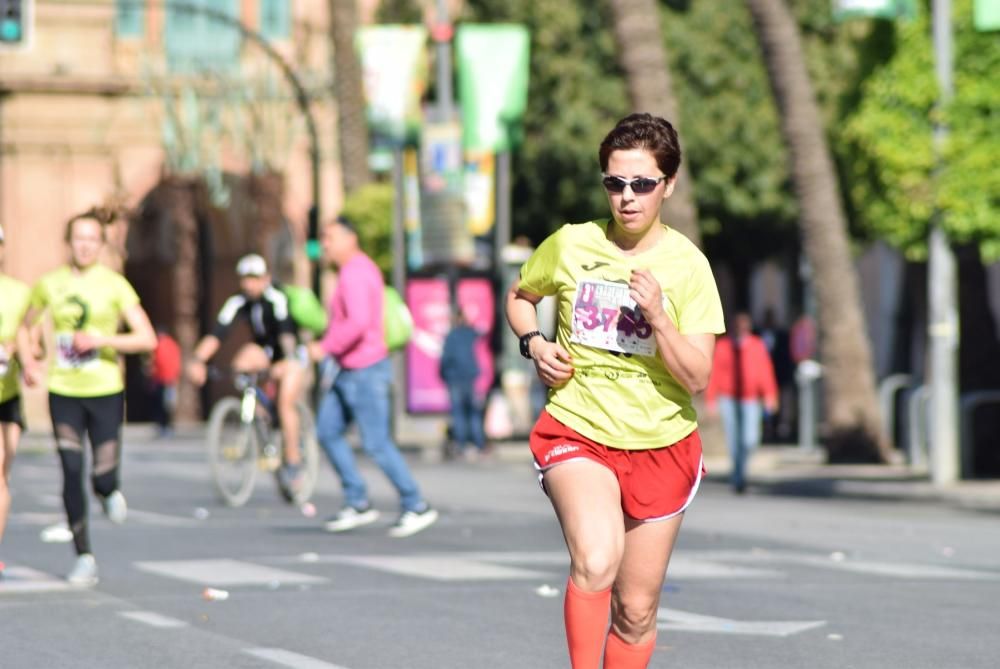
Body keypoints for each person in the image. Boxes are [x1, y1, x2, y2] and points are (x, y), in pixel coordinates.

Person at [505, 113, 724, 668]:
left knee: (636, 609)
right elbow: (521, 294)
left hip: (662, 443)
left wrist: (659, 318)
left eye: (642, 184)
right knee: (597, 561)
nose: (626, 197)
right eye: (614, 183)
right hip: (580, 427)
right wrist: (533, 343)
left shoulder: (689, 267)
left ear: (667, 185)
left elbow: (698, 376)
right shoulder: (572, 244)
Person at [18, 208, 157, 586]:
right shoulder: (49, 283)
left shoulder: (114, 285)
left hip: (105, 389)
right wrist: (30, 360)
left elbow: (147, 339)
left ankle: (108, 489)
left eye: (92, 239)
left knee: (102, 474)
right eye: (78, 238)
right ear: (69, 242)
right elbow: (25, 327)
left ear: (101, 244)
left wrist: (101, 340)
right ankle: (84, 556)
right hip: (64, 389)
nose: (84, 245)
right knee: (70, 469)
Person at [309, 216, 438, 538]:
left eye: (331, 237)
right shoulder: (352, 272)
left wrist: (323, 347)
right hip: (347, 369)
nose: (325, 243)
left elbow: (358, 323)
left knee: (376, 442)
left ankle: (415, 504)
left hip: (365, 369)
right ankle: (357, 501)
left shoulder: (356, 273)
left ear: (351, 238)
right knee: (327, 430)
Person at [186, 253, 307, 496]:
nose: (250, 284)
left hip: (290, 353)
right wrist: (198, 360)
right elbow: (218, 332)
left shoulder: (277, 298)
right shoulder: (239, 302)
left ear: (266, 278)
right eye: (246, 278)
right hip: (265, 351)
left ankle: (293, 461)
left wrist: (288, 361)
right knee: (241, 361)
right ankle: (257, 410)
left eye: (255, 278)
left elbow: (285, 333)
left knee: (285, 404)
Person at [705, 311, 779, 494]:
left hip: (751, 398)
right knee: (733, 438)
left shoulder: (757, 345)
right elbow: (715, 373)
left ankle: (741, 469)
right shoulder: (723, 346)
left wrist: (770, 395)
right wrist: (711, 398)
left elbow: (765, 371)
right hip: (728, 398)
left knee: (750, 439)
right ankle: (738, 476)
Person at [0, 225, 32, 578]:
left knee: (2, 475)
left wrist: (25, 355)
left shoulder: (20, 293)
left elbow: (32, 340)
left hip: (6, 395)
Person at [439, 306, 486, 460]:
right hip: (472, 377)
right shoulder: (472, 334)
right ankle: (478, 443)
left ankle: (461, 444)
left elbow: (445, 359)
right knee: (473, 412)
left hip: (455, 378)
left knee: (458, 412)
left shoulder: (451, 336)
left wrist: (444, 375)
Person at [149, 327, 181, 437]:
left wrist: (153, 378)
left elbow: (157, 363)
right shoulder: (173, 345)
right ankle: (166, 427)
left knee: (162, 405)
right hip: (170, 379)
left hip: (162, 380)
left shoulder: (160, 345)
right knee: (167, 405)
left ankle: (164, 427)